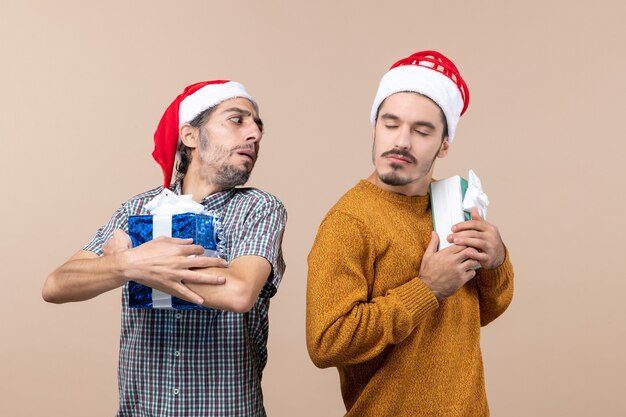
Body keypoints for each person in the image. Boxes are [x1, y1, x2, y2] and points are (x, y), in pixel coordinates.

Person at [43, 80, 287, 417]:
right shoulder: (138, 209)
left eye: (257, 126)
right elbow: (56, 284)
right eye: (237, 120)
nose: (254, 134)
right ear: (190, 136)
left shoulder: (259, 208)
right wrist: (124, 266)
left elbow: (238, 293)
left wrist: (139, 263)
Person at [306, 51, 514, 416]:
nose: (402, 141)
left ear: (444, 145)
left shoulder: (452, 204)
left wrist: (496, 259)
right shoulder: (349, 221)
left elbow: (483, 311)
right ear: (374, 128)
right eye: (390, 124)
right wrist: (426, 290)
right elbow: (326, 343)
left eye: (422, 131)